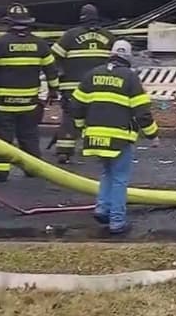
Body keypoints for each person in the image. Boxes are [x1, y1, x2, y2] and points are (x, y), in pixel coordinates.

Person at [70, 39, 157, 235]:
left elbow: (75, 106)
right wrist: (153, 135)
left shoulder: (92, 75)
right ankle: (117, 221)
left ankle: (102, 209)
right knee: (119, 178)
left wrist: (81, 127)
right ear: (128, 57)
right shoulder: (130, 78)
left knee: (107, 172)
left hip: (94, 137)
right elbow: (142, 112)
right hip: (118, 139)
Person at [0, 3, 58, 182]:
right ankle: (33, 169)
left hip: (3, 105)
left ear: (9, 23)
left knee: (2, 139)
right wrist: (53, 91)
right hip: (29, 103)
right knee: (29, 136)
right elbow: (52, 71)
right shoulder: (40, 45)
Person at [51, 4, 114, 163]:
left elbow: (53, 59)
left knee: (71, 117)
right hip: (101, 86)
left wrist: (57, 80)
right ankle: (98, 150)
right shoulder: (109, 37)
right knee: (98, 118)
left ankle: (64, 151)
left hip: (72, 88)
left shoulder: (70, 36)